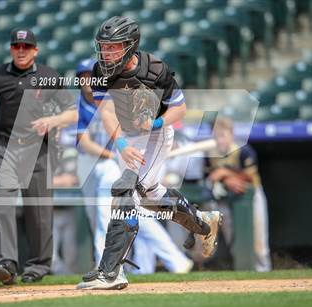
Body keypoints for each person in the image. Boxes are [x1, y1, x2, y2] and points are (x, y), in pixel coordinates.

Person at [77, 16, 222, 290]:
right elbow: (106, 111)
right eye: (104, 47)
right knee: (150, 196)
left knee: (127, 191)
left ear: (130, 46)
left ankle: (111, 271)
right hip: (127, 137)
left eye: (114, 47)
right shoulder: (100, 71)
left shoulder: (155, 70)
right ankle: (203, 222)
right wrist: (120, 143)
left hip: (156, 132)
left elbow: (179, 109)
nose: (107, 53)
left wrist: (154, 122)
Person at [0, 28, 77, 284]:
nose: (21, 51)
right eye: (17, 46)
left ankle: (38, 266)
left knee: (39, 212)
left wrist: (52, 120)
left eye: (26, 46)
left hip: (38, 149)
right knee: (1, 204)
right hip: (5, 147)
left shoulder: (47, 76)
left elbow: (72, 111)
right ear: (11, 49)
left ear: (35, 50)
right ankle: (6, 263)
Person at [76, 59, 193, 275]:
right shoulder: (83, 104)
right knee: (133, 212)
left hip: (114, 163)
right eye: (83, 78)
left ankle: (108, 266)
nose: (88, 81)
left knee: (111, 213)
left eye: (89, 77)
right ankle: (175, 258)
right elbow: (84, 141)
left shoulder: (117, 95)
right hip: (100, 162)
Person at [203, 117, 272, 272]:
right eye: (216, 136)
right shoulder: (210, 154)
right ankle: (244, 273)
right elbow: (212, 177)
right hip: (225, 197)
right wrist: (227, 179)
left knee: (259, 240)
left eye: (222, 135)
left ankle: (263, 273)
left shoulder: (243, 150)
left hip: (250, 195)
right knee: (233, 238)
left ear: (231, 134)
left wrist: (225, 173)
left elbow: (250, 177)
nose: (219, 140)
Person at [51, 147, 78, 275]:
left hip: (68, 209)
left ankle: (69, 283)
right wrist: (60, 181)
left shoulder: (69, 153)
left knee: (71, 254)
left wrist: (57, 181)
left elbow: (74, 179)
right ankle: (63, 277)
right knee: (52, 257)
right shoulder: (44, 155)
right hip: (51, 212)